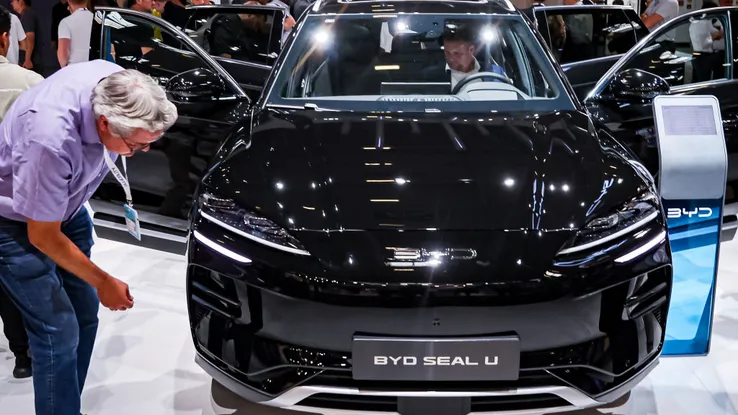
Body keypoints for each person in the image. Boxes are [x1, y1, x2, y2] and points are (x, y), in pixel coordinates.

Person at [0, 59, 177, 415]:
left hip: (66, 206)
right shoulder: (49, 138)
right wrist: (104, 281)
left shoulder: (114, 80)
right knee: (57, 330)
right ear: (104, 123)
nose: (140, 153)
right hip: (14, 222)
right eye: (135, 145)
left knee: (84, 313)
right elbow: (42, 235)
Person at [0, 5, 43, 380]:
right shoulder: (30, 82)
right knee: (23, 276)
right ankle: (25, 353)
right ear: (4, 39)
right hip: (17, 198)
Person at [421, 25, 506, 91]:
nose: (451, 59)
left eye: (457, 53)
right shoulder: (431, 76)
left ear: (471, 50)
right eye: (447, 52)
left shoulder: (494, 73)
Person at [57, 0, 93, 67]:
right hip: (94, 68)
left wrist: (64, 68)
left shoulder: (65, 22)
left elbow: (63, 54)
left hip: (73, 68)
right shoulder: (97, 20)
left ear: (69, 1)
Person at [9, 0, 41, 73]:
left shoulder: (27, 15)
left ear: (21, 2)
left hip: (31, 62)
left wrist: (27, 60)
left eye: (13, 1)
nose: (11, 3)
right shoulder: (25, 15)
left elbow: (29, 37)